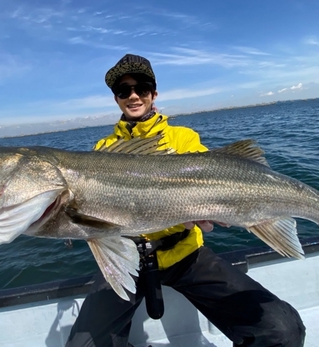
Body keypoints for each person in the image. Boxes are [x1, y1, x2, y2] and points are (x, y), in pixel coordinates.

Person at [66, 54, 306, 347]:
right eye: (123, 91)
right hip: (127, 257)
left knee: (283, 331)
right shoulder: (101, 151)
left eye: (141, 88)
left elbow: (212, 181)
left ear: (154, 94)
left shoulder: (183, 139)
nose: (133, 96)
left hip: (185, 253)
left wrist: (224, 210)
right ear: (116, 99)